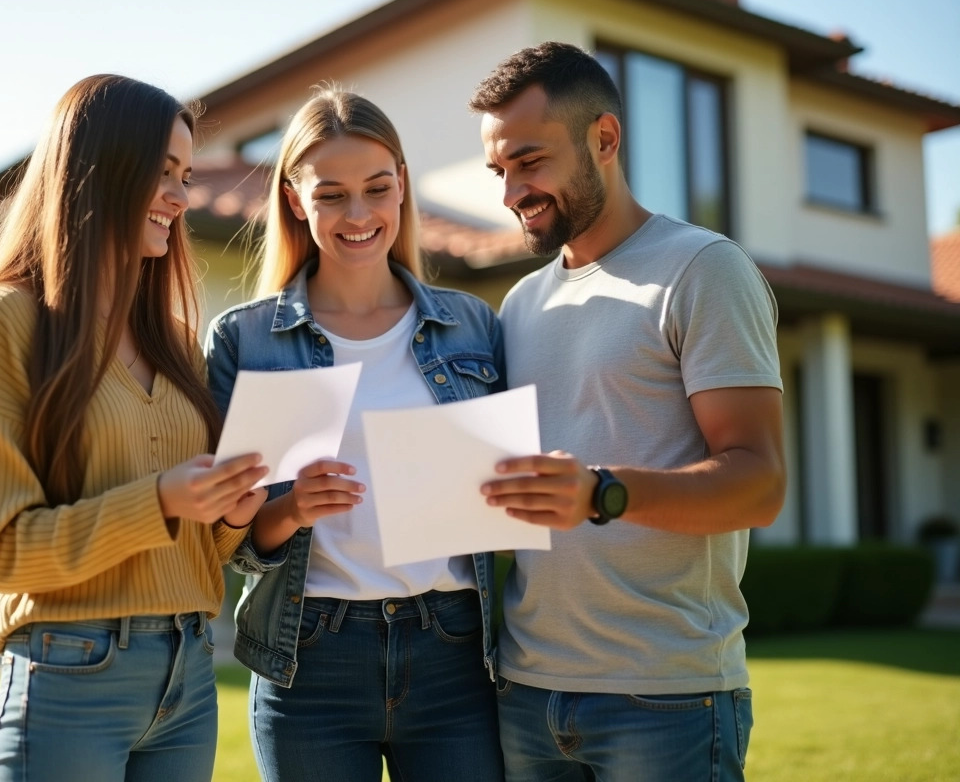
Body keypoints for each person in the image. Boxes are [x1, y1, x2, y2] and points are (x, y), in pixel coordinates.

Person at [0, 74, 268, 782]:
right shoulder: (1, 324)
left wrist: (232, 513)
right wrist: (164, 500)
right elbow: (6, 551)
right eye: (162, 173)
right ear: (99, 169)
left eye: (186, 176)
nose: (180, 196)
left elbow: (202, 546)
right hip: (71, 674)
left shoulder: (170, 337)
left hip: (191, 675)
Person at [471, 42, 786, 781]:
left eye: (530, 161)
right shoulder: (520, 303)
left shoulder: (703, 269)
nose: (513, 191)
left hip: (667, 696)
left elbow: (760, 483)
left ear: (604, 139)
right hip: (528, 692)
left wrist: (602, 493)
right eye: (501, 171)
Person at [205, 88, 506, 782]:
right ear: (294, 199)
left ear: (402, 184)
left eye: (377, 187)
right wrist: (291, 509)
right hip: (310, 658)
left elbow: (507, 509)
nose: (360, 214)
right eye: (332, 195)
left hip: (453, 653)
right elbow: (230, 545)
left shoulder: (473, 326)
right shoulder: (245, 340)